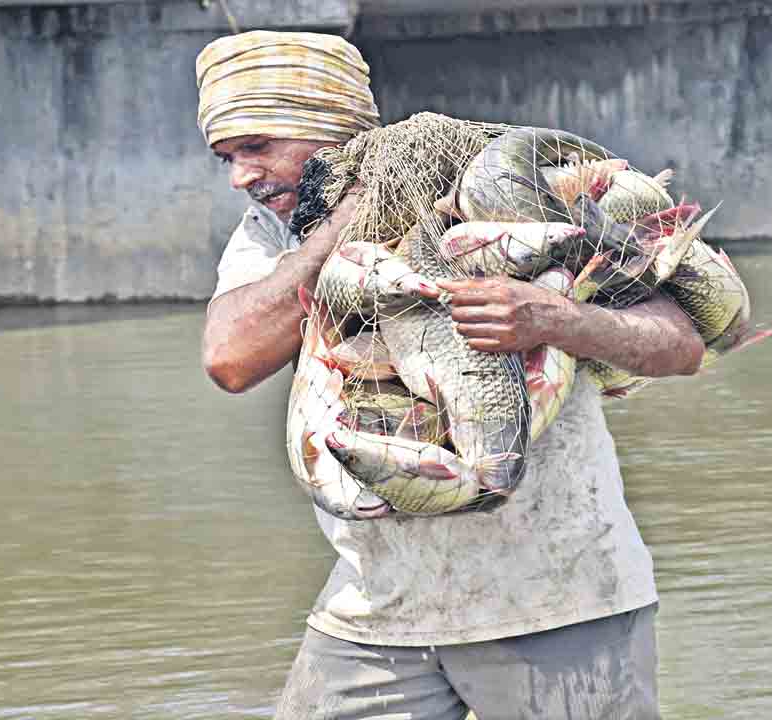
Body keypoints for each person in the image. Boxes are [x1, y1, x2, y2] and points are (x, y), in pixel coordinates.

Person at [197, 31, 705, 719]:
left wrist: (555, 320)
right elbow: (230, 357)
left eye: (257, 146)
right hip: (376, 609)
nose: (242, 176)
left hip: (557, 599)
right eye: (227, 157)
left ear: (330, 126)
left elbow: (682, 345)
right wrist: (345, 225)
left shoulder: (503, 190)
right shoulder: (274, 231)